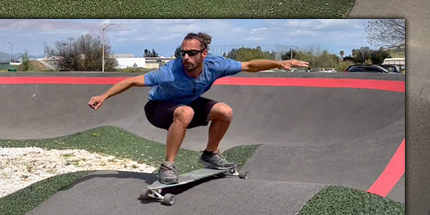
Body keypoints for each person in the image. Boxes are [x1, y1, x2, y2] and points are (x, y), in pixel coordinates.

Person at [87, 32, 309, 184]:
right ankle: (168, 166)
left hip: (188, 104)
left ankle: (210, 155)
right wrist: (104, 95)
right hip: (158, 108)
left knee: (225, 111)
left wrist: (279, 63)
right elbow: (132, 81)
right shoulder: (170, 71)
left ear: (204, 53)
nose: (185, 57)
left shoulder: (216, 64)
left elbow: (249, 65)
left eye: (191, 53)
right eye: (182, 52)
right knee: (186, 111)